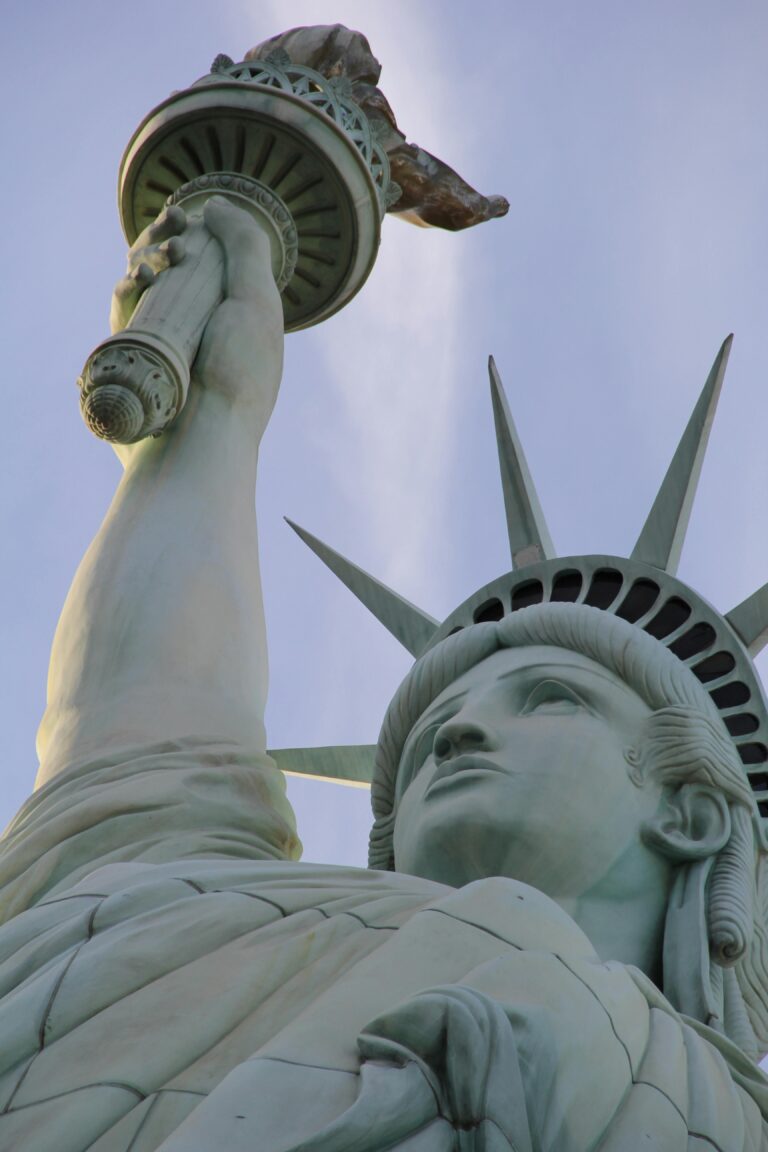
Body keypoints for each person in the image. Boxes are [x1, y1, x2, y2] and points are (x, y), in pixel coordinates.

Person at [0, 198, 767, 1151]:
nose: (457, 732)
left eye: (552, 698)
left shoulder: (708, 1110)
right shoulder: (196, 922)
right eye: (435, 723)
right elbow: (130, 727)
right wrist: (216, 421)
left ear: (690, 814)